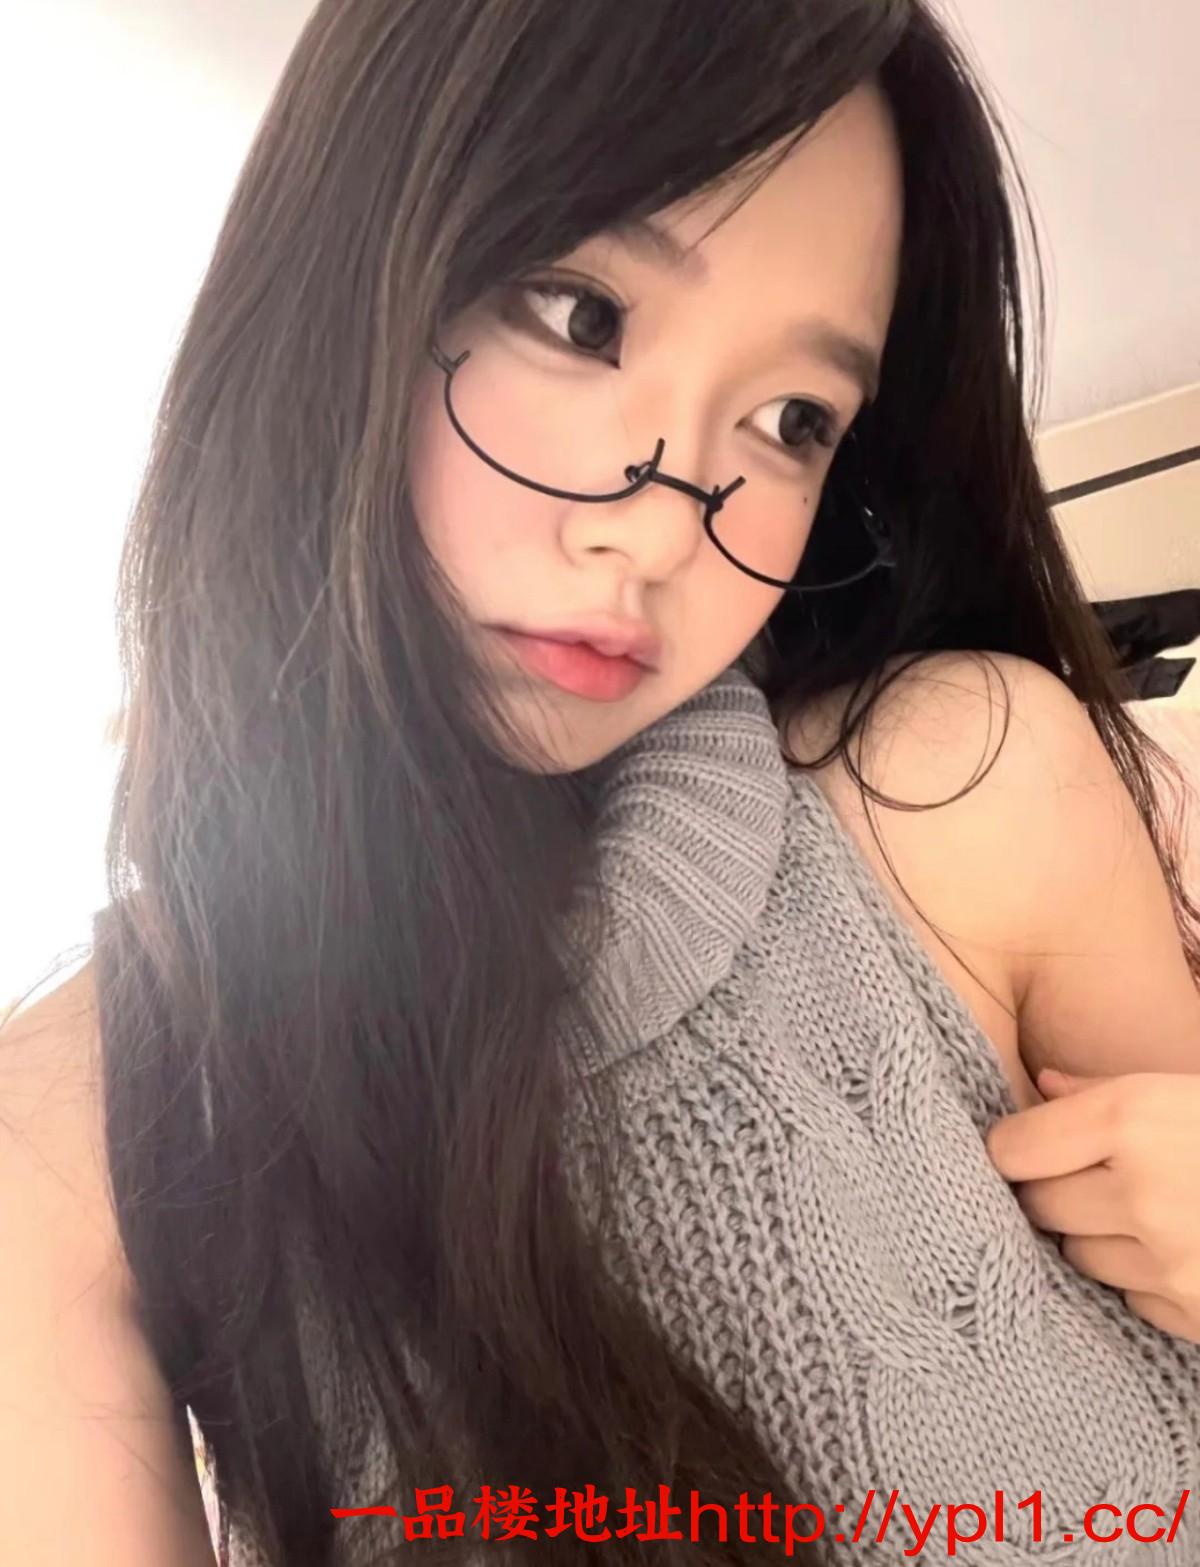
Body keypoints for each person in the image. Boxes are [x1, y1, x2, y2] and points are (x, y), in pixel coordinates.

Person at [3, 0, 1200, 1563]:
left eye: (792, 421)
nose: (656, 527)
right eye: (580, 317)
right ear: (347, 279)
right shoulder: (82, 1125)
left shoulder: (969, 780)